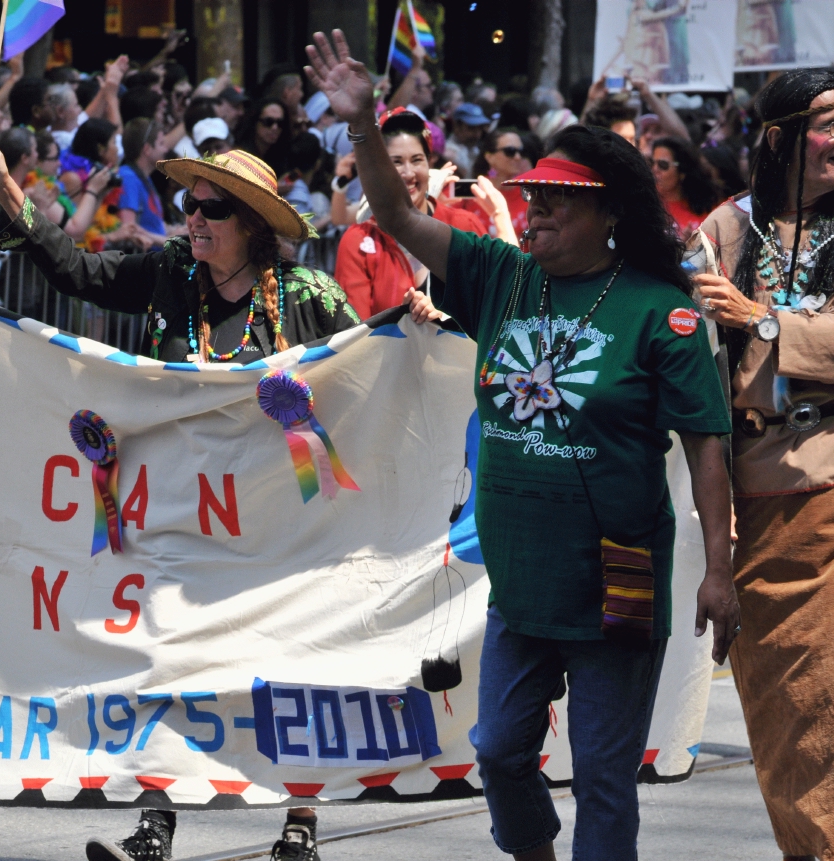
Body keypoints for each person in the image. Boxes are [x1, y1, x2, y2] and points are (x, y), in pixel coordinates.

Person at [307, 29, 739, 861]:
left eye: (554, 200)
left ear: (608, 212)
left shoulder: (661, 309)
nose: (531, 211)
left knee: (606, 781)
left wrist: (720, 570)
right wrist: (362, 124)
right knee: (502, 751)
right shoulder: (498, 274)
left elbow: (708, 443)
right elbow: (394, 212)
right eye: (530, 196)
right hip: (524, 583)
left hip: (618, 583)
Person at [0, 132, 357, 861]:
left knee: (289, 664)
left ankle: (298, 828)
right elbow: (77, 271)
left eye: (213, 208)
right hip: (176, 510)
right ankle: (154, 824)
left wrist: (421, 331)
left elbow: (371, 371)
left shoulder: (309, 296)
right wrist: (8, 193)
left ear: (255, 225)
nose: (195, 219)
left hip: (281, 521)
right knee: (165, 659)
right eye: (189, 203)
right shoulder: (168, 272)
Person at [689, 69, 834, 861]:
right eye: (833, 123)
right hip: (759, 500)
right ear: (781, 138)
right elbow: (697, 391)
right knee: (789, 717)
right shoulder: (724, 231)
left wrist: (760, 322)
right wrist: (718, 553)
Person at [335, 108, 497, 318]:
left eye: (417, 160)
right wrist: (400, 322)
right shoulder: (358, 241)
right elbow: (356, 334)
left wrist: (446, 315)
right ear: (378, 169)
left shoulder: (463, 226)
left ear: (430, 163)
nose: (409, 173)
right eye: (396, 162)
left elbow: (490, 307)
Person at [118, 117, 173, 250]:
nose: (166, 149)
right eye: (161, 144)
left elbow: (153, 225)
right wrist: (171, 242)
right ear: (147, 149)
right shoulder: (128, 178)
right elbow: (129, 230)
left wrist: (175, 231)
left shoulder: (143, 177)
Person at [651, 136, 719, 238]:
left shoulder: (709, 209)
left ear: (682, 172)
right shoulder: (646, 206)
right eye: (652, 163)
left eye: (663, 165)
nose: (654, 169)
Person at [471, 127, 532, 237]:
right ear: (489, 157)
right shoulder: (474, 190)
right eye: (510, 151)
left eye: (521, 151)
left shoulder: (530, 192)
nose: (518, 157)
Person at [236, 96, 289, 176]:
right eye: (268, 122)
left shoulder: (281, 155)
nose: (275, 128)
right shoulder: (240, 155)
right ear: (255, 122)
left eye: (280, 123)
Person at [441, 102, 491, 176]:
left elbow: (492, 174)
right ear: (457, 126)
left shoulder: (477, 150)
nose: (477, 134)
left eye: (480, 128)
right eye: (472, 128)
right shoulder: (445, 152)